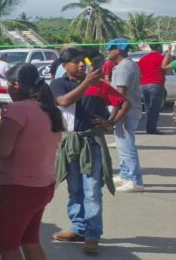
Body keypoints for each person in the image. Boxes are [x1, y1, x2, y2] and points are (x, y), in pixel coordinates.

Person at [50, 47, 129, 255]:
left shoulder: (100, 85)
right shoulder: (59, 84)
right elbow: (64, 102)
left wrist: (110, 122)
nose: (81, 64)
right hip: (70, 143)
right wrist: (87, 83)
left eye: (82, 60)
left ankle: (93, 234)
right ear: (64, 65)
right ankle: (78, 228)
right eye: (75, 61)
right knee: (74, 187)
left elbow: (124, 103)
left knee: (92, 190)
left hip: (91, 142)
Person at [0, 64, 63, 260]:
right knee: (29, 240)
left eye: (8, 85)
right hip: (43, 184)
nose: (7, 89)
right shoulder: (47, 107)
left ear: (17, 84)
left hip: (18, 187)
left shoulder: (17, 109)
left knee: (7, 243)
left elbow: (3, 150)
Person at [106, 38, 144, 193]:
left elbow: (120, 95)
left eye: (109, 48)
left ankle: (134, 180)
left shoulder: (123, 67)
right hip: (128, 111)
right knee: (122, 146)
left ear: (118, 50)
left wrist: (112, 118)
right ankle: (124, 174)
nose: (107, 51)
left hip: (125, 112)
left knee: (126, 146)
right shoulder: (128, 65)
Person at [138, 44, 166, 135]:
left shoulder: (143, 59)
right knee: (154, 108)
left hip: (143, 85)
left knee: (148, 107)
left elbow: (139, 72)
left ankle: (149, 127)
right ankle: (151, 129)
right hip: (156, 84)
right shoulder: (162, 58)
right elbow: (168, 65)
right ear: (158, 47)